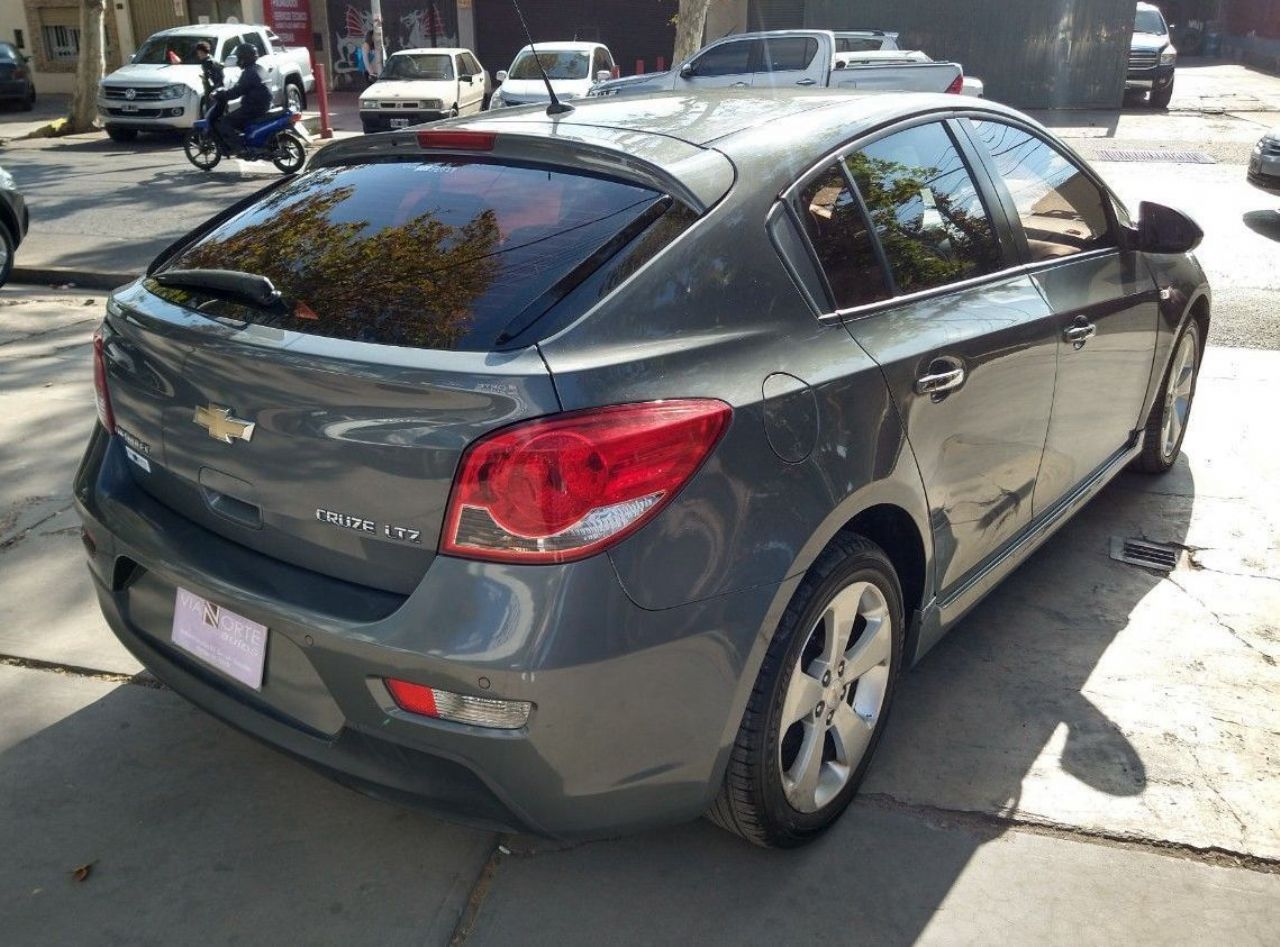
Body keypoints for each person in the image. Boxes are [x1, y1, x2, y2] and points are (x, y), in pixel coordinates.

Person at [211, 43, 273, 151]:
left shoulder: (249, 73)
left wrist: (221, 95)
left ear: (245, 58)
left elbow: (237, 92)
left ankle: (240, 149)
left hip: (253, 108)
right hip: (264, 105)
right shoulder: (259, 68)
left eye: (240, 57)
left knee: (225, 122)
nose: (238, 60)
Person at [194, 41, 224, 110]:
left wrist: (204, 78)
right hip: (216, 90)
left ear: (202, 52)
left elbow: (212, 78)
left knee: (212, 111)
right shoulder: (211, 60)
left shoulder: (208, 63)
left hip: (212, 91)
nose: (198, 55)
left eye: (199, 53)